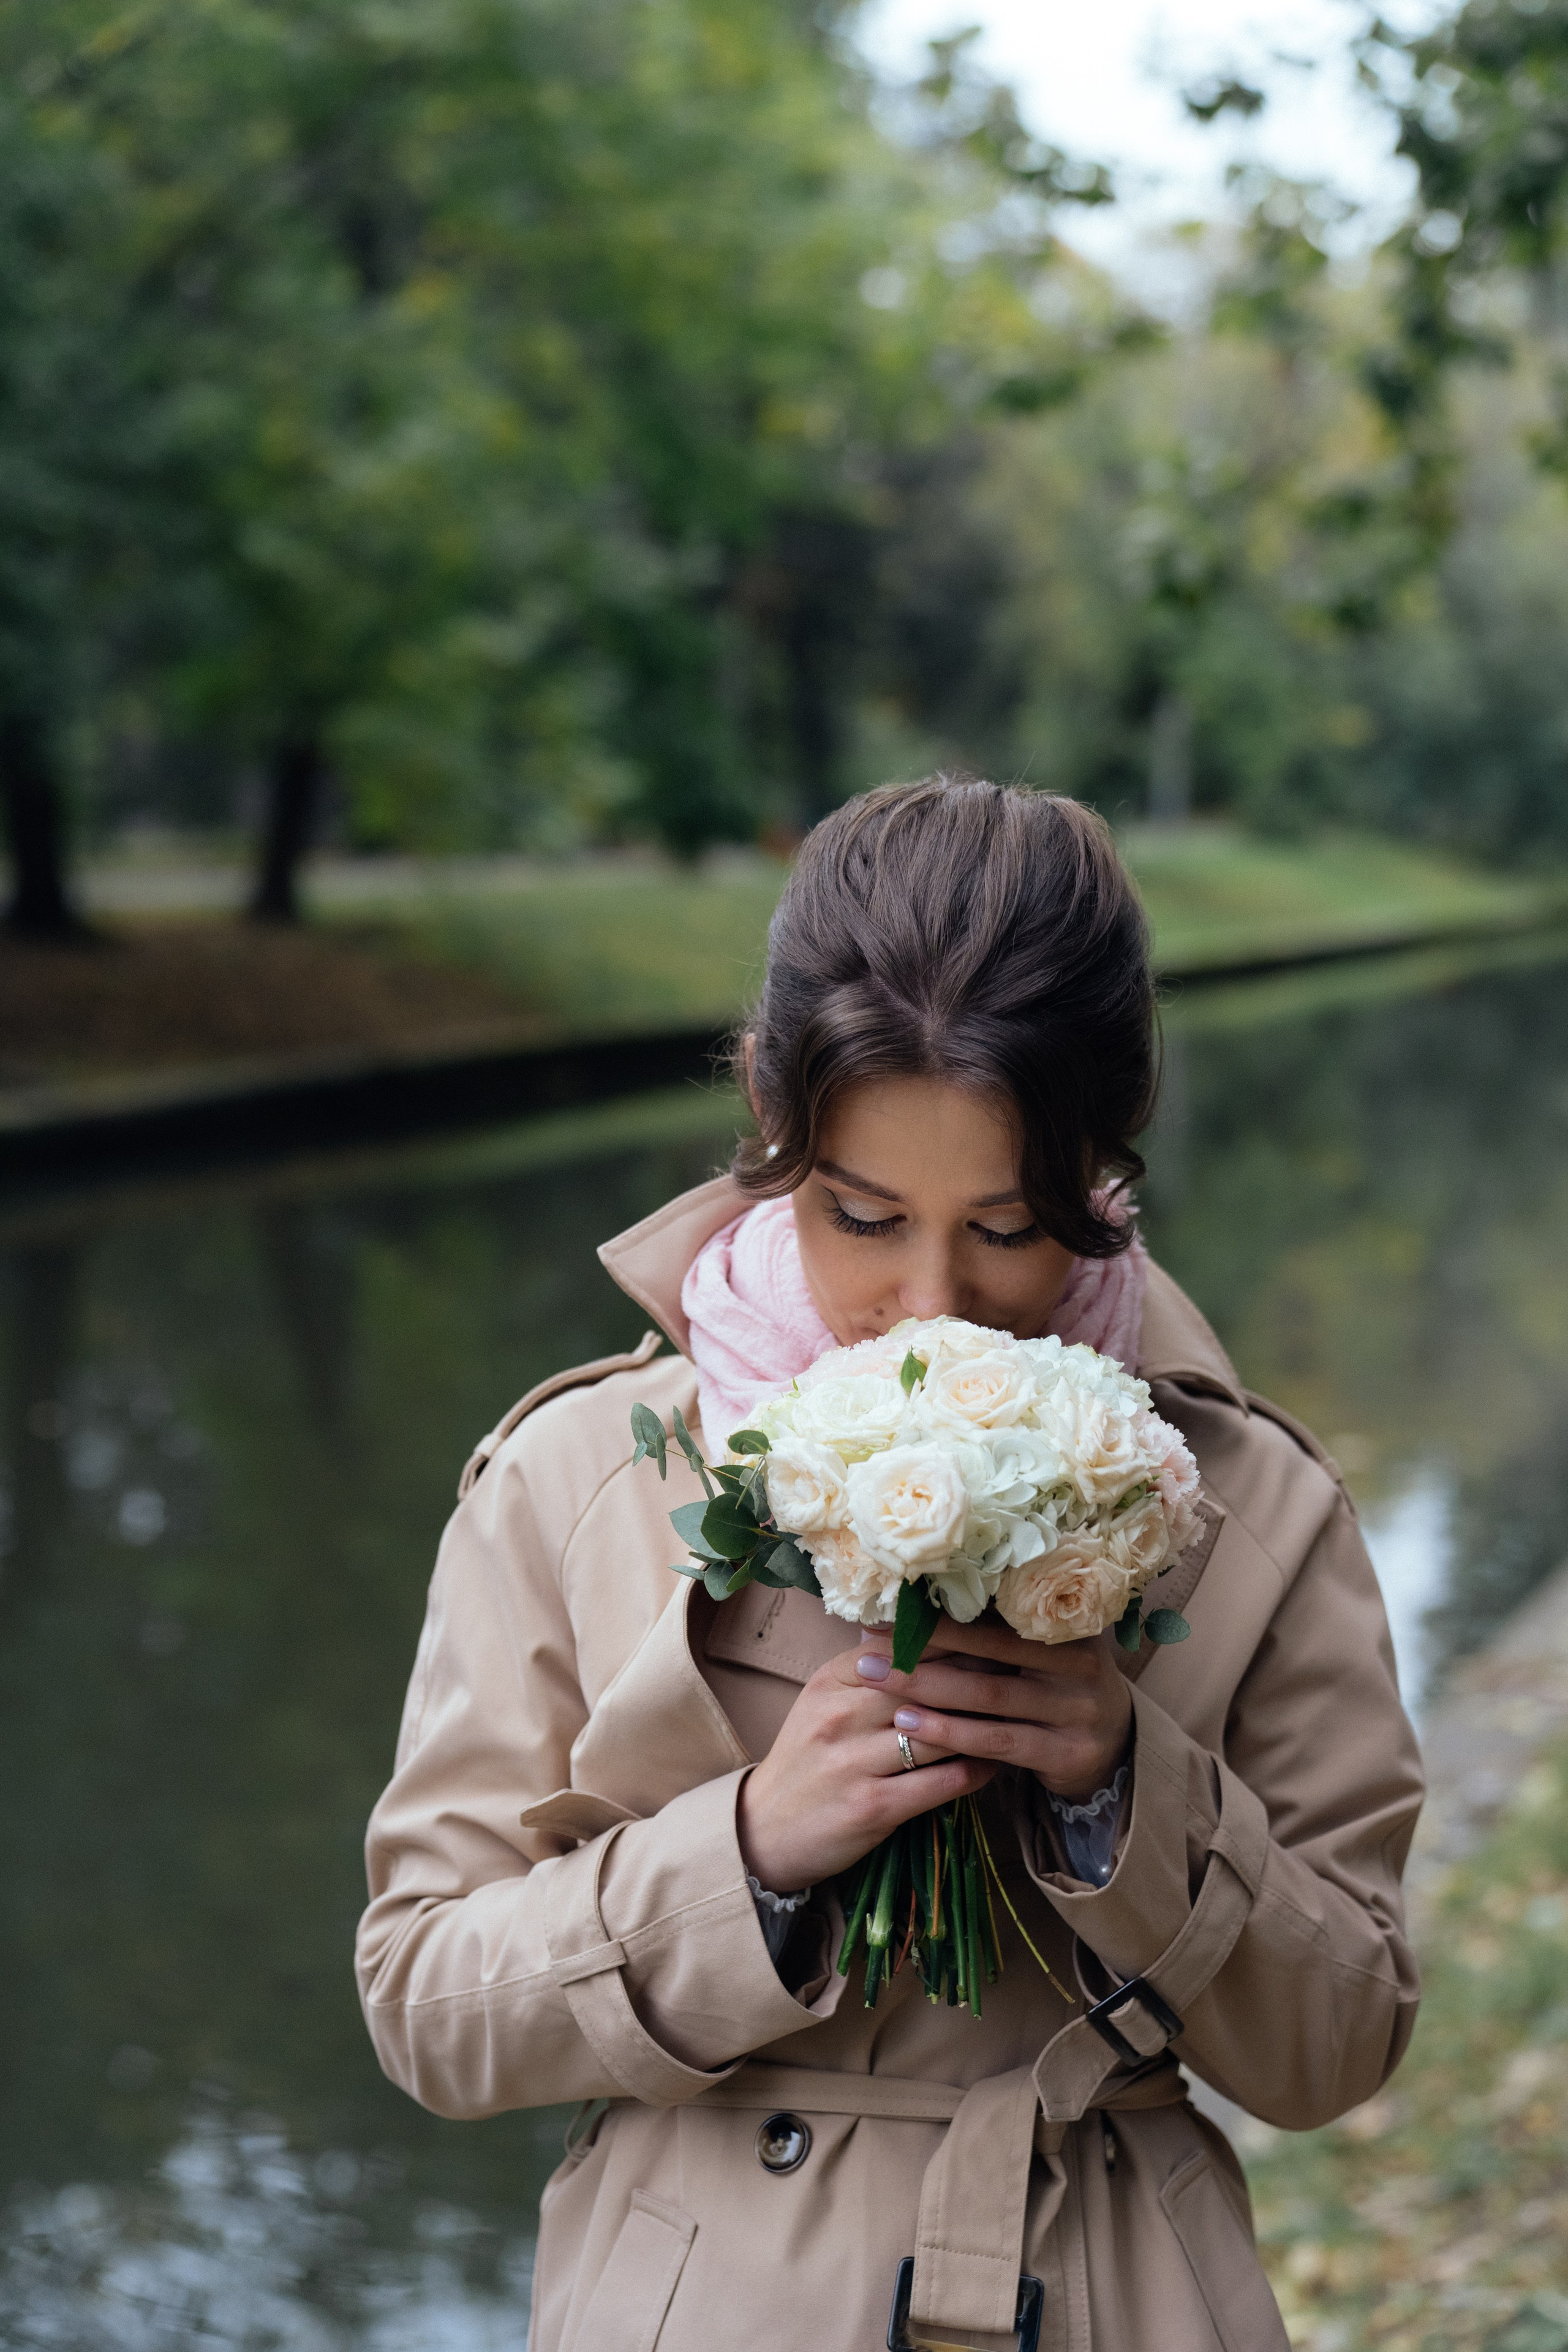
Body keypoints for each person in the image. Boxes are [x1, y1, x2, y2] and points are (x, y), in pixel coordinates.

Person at [355, 779, 1423, 2352]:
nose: (930, 1304)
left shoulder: (1247, 1506)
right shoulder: (576, 1480)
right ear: (772, 1134)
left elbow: (1342, 2043)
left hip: (1115, 2286)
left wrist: (1125, 1791)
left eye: (1005, 1229)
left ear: (1103, 1170)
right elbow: (423, 2002)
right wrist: (744, 1861)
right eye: (862, 1218)